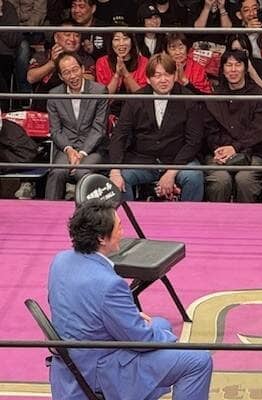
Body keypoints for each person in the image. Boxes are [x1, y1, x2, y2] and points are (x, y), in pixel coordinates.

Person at [48, 200, 212, 399]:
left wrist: (130, 317)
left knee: (162, 323)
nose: (123, 232)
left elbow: (79, 308)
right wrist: (168, 340)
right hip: (99, 371)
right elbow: (141, 340)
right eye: (119, 227)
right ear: (101, 238)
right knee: (198, 360)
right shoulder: (110, 285)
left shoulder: (60, 260)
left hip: (72, 360)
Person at [109, 53, 205, 202]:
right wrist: (115, 171)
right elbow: (119, 136)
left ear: (175, 76)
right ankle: (129, 217)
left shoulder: (189, 100)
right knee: (121, 178)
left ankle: (188, 217)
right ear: (148, 79)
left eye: (168, 74)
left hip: (178, 159)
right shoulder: (135, 100)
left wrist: (171, 173)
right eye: (157, 76)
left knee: (194, 176)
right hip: (143, 160)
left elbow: (194, 141)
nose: (163, 80)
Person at [203, 49, 262, 202]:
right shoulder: (214, 97)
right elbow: (209, 131)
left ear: (246, 68)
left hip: (252, 152)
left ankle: (246, 218)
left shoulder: (259, 95)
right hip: (219, 152)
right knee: (220, 180)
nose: (233, 70)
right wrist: (220, 150)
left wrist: (235, 147)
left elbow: (259, 131)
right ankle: (217, 217)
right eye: (228, 65)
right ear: (223, 69)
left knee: (244, 179)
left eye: (238, 65)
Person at [45, 52, 108, 200]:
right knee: (57, 172)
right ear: (61, 77)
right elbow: (55, 131)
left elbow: (99, 129)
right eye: (67, 73)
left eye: (75, 70)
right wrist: (69, 150)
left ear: (82, 69)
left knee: (82, 172)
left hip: (93, 149)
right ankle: (48, 211)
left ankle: (88, 213)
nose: (72, 76)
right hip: (67, 147)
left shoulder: (99, 91)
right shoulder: (54, 95)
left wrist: (82, 153)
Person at [27, 21, 96, 112]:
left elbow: (90, 79)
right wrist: (52, 63)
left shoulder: (86, 58)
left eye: (77, 35)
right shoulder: (43, 55)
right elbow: (31, 78)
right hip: (44, 107)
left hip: (76, 109)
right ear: (56, 37)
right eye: (67, 35)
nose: (72, 39)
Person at [96, 28, 148, 116]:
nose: (121, 43)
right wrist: (117, 75)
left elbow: (142, 97)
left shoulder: (144, 62)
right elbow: (104, 98)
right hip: (109, 113)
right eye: (116, 39)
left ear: (132, 41)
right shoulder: (102, 62)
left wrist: (126, 73)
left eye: (125, 39)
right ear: (111, 43)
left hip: (137, 112)